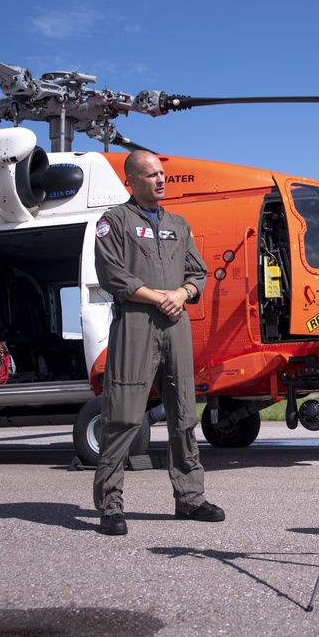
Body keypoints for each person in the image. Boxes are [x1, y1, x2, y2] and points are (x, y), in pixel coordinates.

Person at [92, 150, 224, 536]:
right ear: (131, 180)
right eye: (151, 175)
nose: (160, 180)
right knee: (123, 417)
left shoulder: (178, 224)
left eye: (162, 173)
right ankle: (111, 505)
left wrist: (181, 294)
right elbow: (111, 274)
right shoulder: (113, 221)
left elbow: (197, 273)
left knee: (183, 415)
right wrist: (157, 297)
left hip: (175, 324)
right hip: (136, 324)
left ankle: (190, 499)